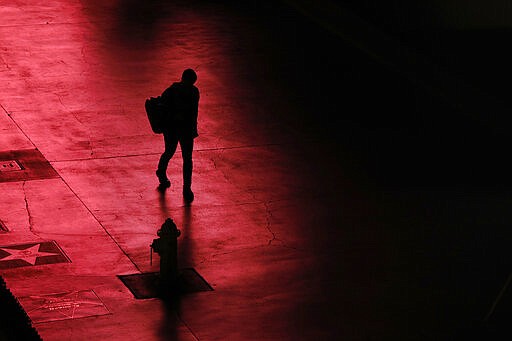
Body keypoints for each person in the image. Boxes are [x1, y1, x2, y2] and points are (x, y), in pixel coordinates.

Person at [156, 68, 199, 202]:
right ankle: (186, 188)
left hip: (172, 128)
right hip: (185, 130)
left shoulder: (173, 90)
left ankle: (161, 171)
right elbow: (193, 113)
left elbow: (161, 104)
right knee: (187, 159)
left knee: (170, 151)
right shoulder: (194, 92)